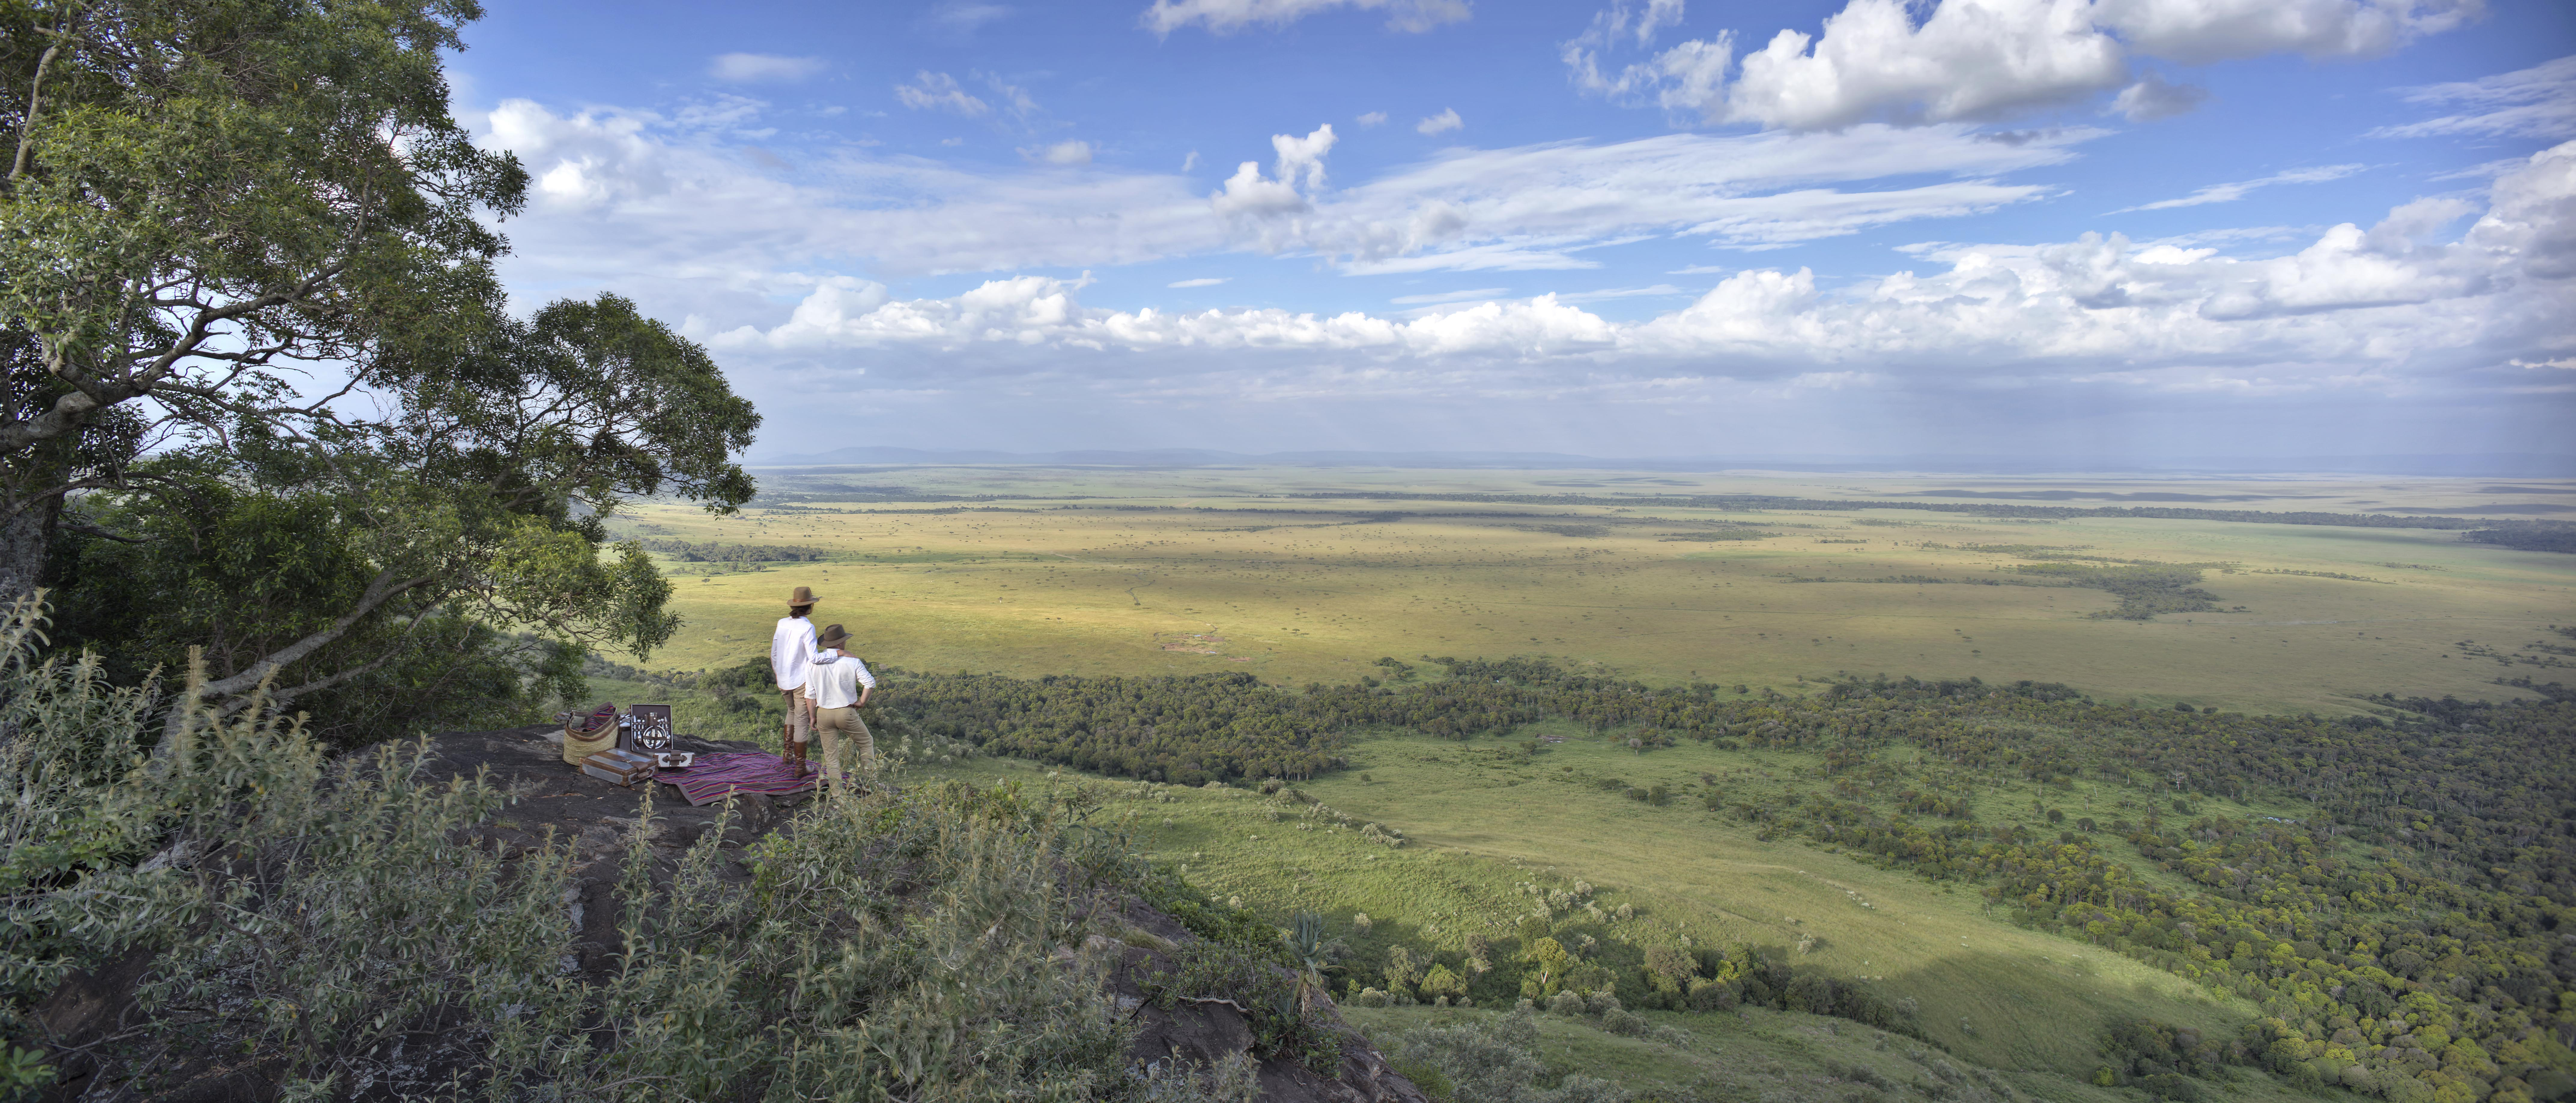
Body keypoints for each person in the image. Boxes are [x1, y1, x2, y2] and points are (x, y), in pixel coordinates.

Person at [802, 623, 877, 790]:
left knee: (831, 758)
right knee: (866, 743)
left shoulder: (812, 663)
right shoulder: (852, 661)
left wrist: (813, 717)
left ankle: (838, 796)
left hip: (823, 714)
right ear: (841, 643)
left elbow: (810, 694)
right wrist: (862, 702)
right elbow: (870, 683)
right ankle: (868, 786)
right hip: (846, 712)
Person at [769, 585, 822, 769]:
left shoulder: (782, 623)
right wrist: (837, 654)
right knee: (801, 720)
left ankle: (787, 755)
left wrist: (778, 673)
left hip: (783, 678)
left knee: (791, 712)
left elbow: (774, 653)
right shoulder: (808, 627)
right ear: (810, 608)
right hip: (801, 680)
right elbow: (814, 658)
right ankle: (800, 767)